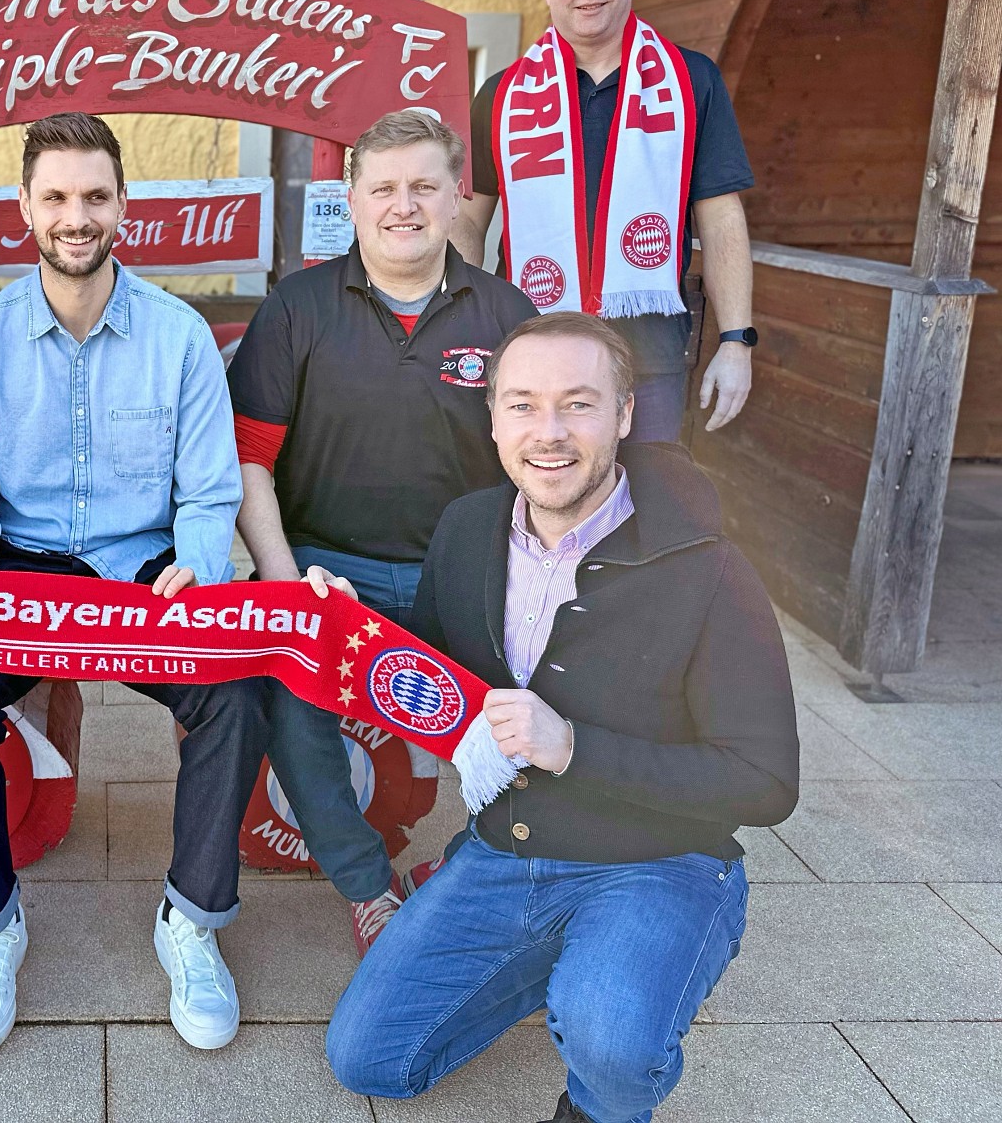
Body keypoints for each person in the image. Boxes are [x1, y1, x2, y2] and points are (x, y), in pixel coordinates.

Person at [323, 311, 799, 1123]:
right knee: (368, 1058)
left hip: (659, 861)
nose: (548, 433)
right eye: (523, 404)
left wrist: (574, 746)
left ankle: (604, 1043)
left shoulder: (710, 566)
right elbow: (434, 666)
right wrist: (346, 625)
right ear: (494, 418)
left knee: (613, 1046)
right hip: (507, 851)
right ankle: (578, 961)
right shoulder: (467, 528)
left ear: (624, 415)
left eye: (578, 404)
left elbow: (766, 783)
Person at [0, 112, 267, 1055]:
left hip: (141, 565)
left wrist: (201, 561)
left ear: (123, 206)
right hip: (21, 565)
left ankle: (191, 920)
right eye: (58, 197)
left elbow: (209, 491)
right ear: (25, 209)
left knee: (233, 693)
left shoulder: (180, 337)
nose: (77, 216)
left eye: (95, 196)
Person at [229, 109, 537, 956]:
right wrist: (285, 583)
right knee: (290, 704)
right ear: (352, 199)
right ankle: (368, 891)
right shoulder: (296, 307)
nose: (405, 206)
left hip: (466, 571)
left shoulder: (509, 313)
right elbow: (249, 460)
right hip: (325, 570)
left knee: (542, 711)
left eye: (424, 186)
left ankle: (461, 873)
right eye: (385, 188)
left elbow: (538, 466)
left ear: (457, 195)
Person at [454, 0, 758, 443]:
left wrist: (737, 342)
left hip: (649, 357)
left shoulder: (690, 82)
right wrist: (455, 327)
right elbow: (467, 220)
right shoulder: (502, 96)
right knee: (536, 485)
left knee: (651, 490)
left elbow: (721, 218)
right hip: (529, 347)